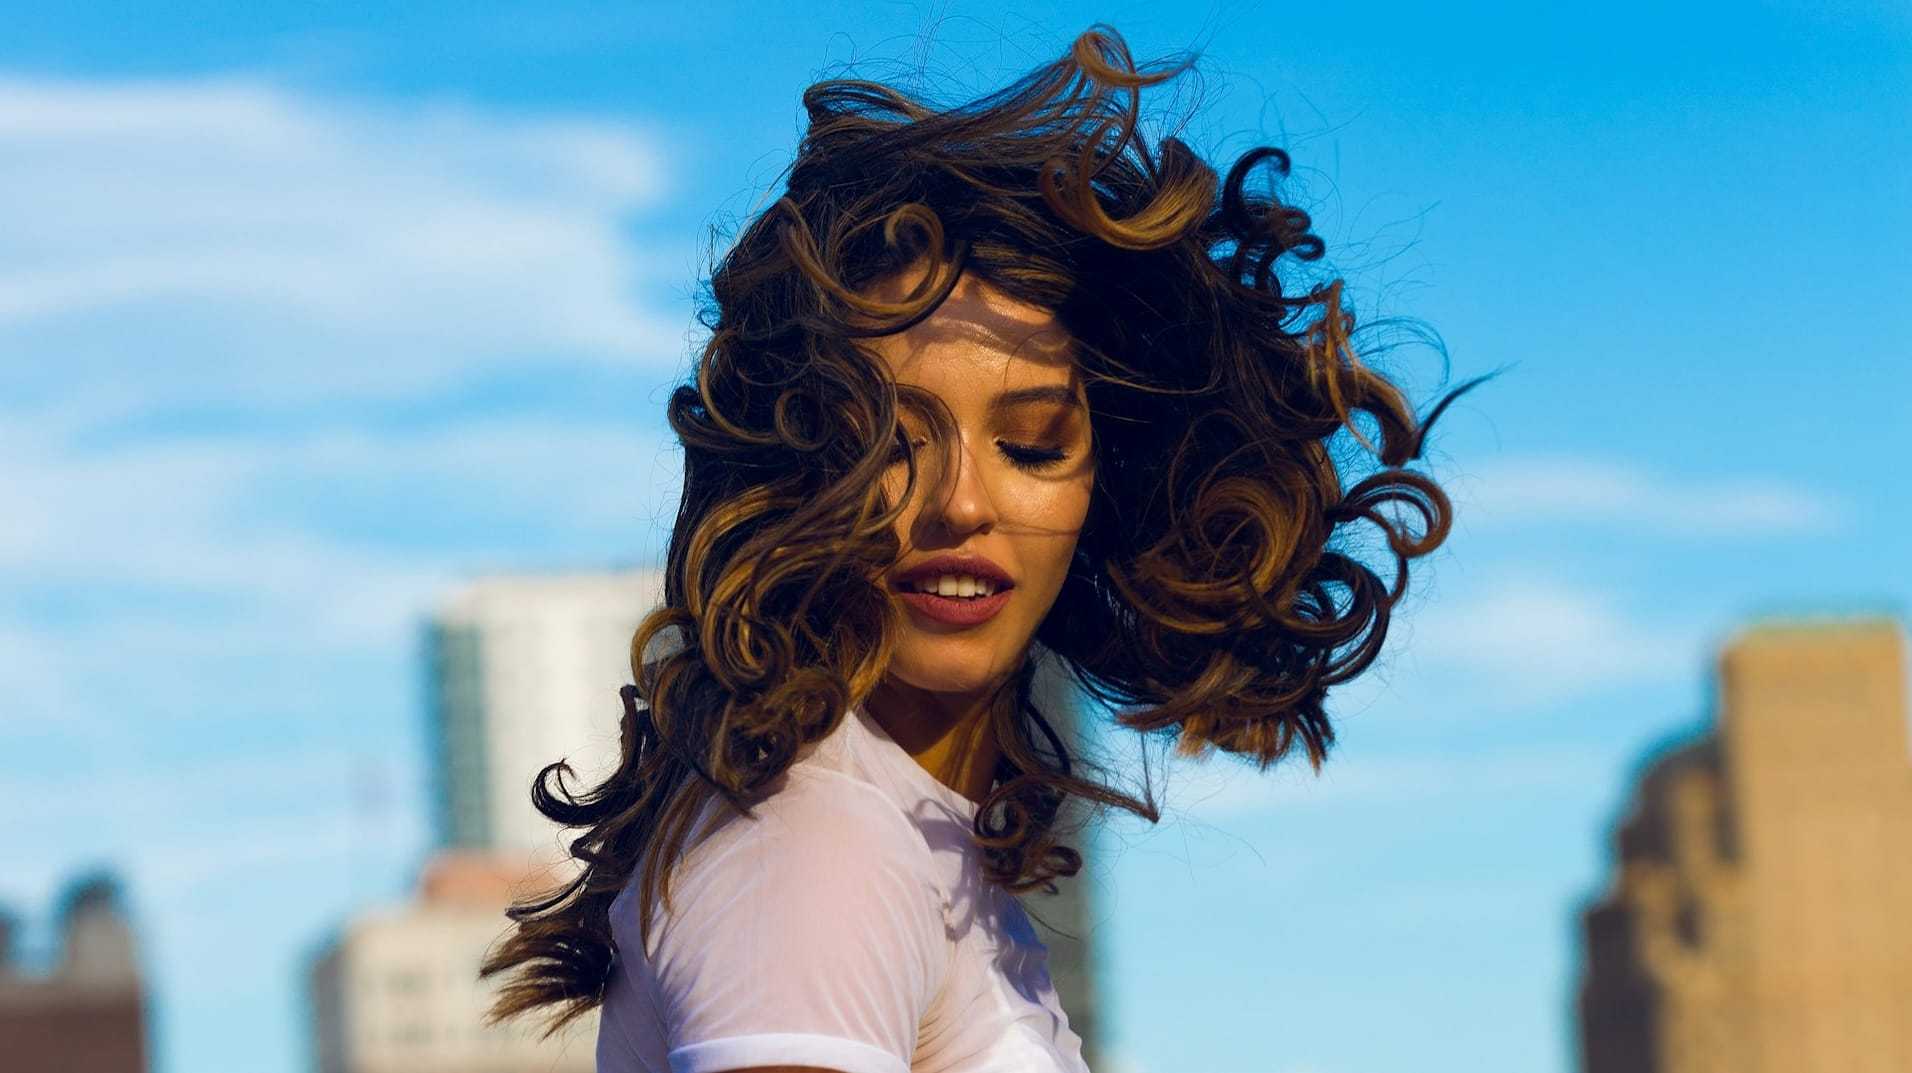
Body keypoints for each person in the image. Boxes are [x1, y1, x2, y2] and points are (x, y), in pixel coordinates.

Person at [479, 23, 1487, 1073]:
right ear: (801, 470)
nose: (960, 502)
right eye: (895, 443)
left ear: (1110, 485)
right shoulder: (819, 851)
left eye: (1031, 444)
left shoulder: (903, 839)